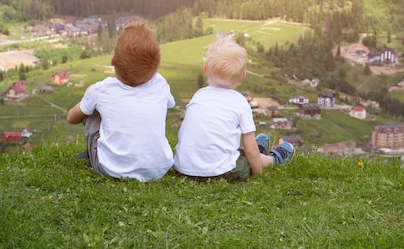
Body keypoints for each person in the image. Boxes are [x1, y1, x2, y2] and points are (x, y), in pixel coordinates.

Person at [174, 37, 294, 182]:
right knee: (246, 158)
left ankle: (257, 154)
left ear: (205, 70)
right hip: (219, 173)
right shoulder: (240, 102)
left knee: (237, 152)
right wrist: (258, 175)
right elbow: (250, 149)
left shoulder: (198, 95)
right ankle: (272, 159)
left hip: (183, 170)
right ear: (243, 76)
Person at [67, 21, 175, 182]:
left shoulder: (102, 89)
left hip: (110, 169)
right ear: (155, 66)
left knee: (93, 107)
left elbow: (72, 118)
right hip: (158, 170)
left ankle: (94, 154)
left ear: (113, 62)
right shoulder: (161, 84)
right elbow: (170, 104)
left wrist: (89, 95)